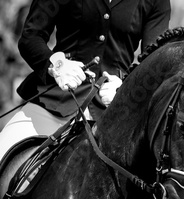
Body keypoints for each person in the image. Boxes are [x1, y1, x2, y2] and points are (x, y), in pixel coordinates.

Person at [0, 0, 171, 163]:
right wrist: (57, 65)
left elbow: (156, 61)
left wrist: (125, 87)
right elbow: (31, 37)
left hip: (115, 111)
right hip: (55, 102)